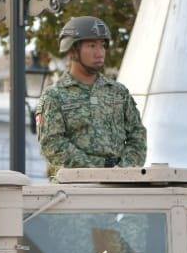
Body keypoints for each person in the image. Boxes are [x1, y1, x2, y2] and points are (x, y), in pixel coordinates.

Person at [35, 16, 147, 176]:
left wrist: (122, 171)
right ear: (73, 50)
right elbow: (52, 144)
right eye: (92, 45)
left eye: (103, 46)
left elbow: (137, 135)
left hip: (120, 183)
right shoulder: (54, 96)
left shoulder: (118, 92)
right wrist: (97, 170)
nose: (100, 53)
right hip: (74, 184)